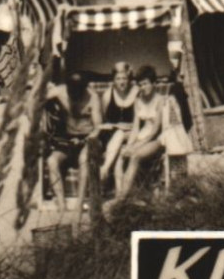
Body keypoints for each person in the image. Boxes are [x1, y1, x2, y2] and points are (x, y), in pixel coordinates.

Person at [44, 73, 102, 205]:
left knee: (84, 160)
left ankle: (79, 205)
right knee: (51, 161)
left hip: (87, 138)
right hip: (68, 138)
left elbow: (98, 128)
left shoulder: (93, 98)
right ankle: (62, 205)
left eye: (78, 94)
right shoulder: (60, 91)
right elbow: (36, 99)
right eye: (71, 94)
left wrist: (83, 141)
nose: (74, 98)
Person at [114, 66, 167, 200]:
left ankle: (121, 200)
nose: (143, 87)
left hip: (158, 139)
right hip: (142, 137)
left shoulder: (161, 100)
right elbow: (136, 128)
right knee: (120, 155)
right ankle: (120, 194)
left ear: (153, 84)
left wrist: (136, 146)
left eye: (145, 84)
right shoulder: (138, 101)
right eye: (140, 85)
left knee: (135, 156)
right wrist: (129, 145)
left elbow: (155, 130)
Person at [97, 62, 138, 186]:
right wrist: (109, 125)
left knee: (120, 133)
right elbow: (102, 119)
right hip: (111, 134)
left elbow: (138, 119)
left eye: (124, 78)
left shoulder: (136, 92)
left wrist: (126, 127)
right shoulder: (107, 95)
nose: (122, 82)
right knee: (119, 156)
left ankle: (104, 168)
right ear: (114, 80)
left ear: (129, 79)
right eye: (118, 79)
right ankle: (119, 196)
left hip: (132, 133)